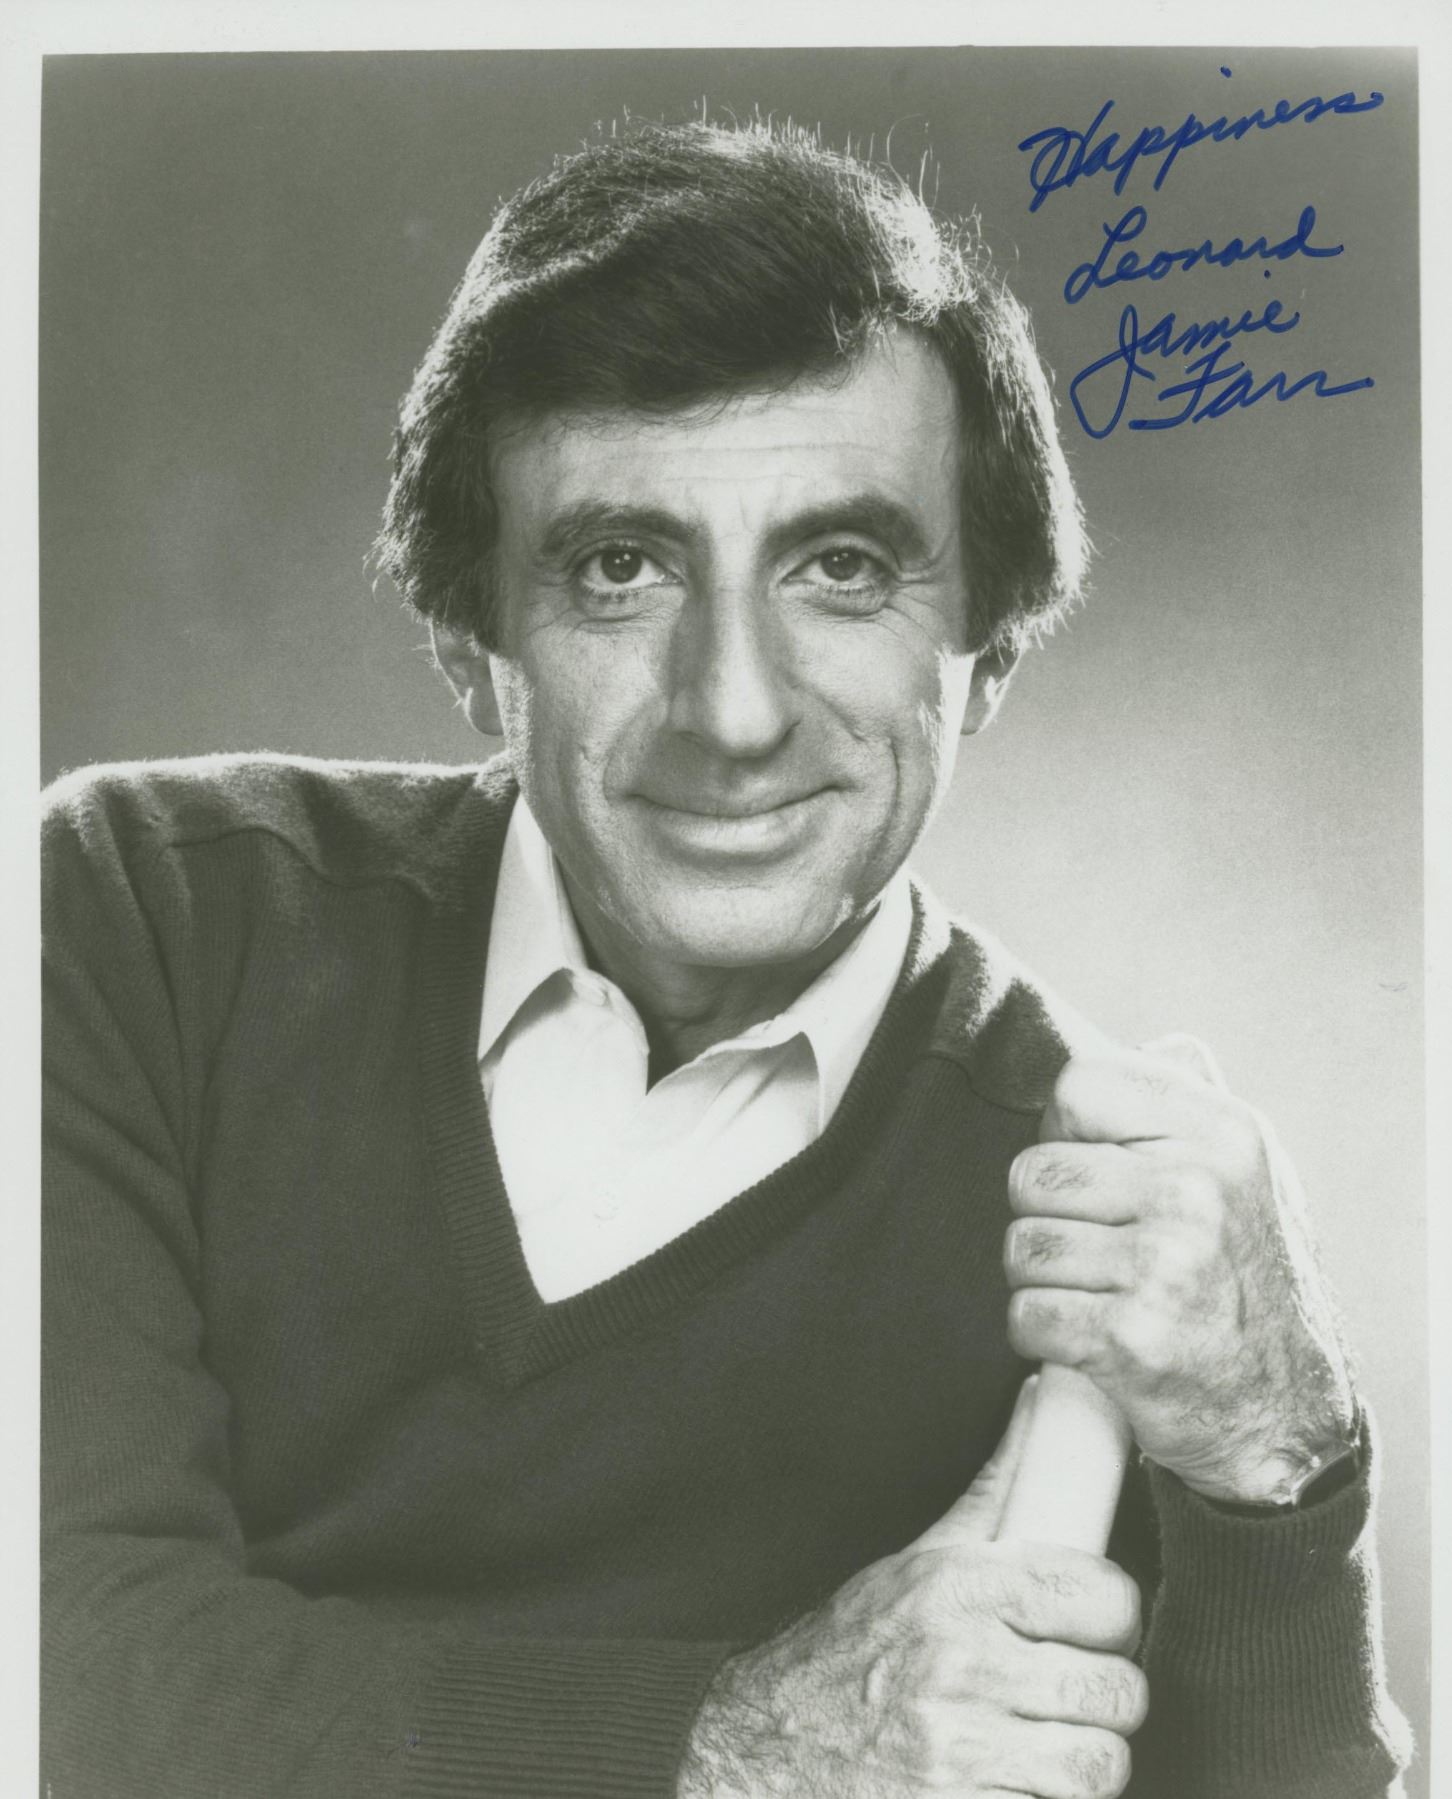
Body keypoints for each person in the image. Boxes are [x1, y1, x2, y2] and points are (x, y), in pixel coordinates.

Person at [41, 120, 1411, 1798]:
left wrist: (1279, 1465)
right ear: (472, 646)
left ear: (985, 652)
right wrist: (735, 1748)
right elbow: (52, 1661)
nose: (734, 712)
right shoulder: (143, 918)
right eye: (620, 570)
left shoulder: (1098, 1225)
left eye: (842, 570)